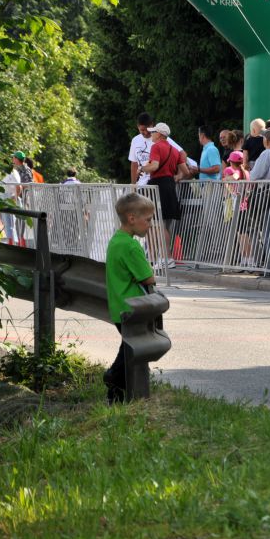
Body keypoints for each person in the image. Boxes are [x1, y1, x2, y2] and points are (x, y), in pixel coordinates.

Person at [104, 193, 156, 403]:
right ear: (132, 218)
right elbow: (148, 278)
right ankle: (113, 378)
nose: (150, 225)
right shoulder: (131, 246)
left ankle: (116, 395)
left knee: (128, 350)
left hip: (118, 306)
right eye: (148, 220)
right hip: (134, 308)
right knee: (130, 354)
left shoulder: (116, 240)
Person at [138, 122, 181, 267]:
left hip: (158, 186)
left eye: (154, 132)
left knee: (159, 224)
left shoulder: (156, 146)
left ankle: (166, 258)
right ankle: (164, 258)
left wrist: (142, 168)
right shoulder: (175, 150)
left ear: (161, 134)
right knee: (166, 224)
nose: (152, 134)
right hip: (170, 185)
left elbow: (154, 166)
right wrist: (178, 177)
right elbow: (185, 171)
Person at [222, 151, 254, 268]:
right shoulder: (246, 172)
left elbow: (234, 177)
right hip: (245, 206)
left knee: (242, 235)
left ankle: (249, 259)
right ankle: (245, 258)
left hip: (237, 206)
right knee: (243, 234)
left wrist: (225, 179)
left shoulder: (230, 170)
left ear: (230, 161)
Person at [128, 112, 155, 184]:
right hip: (142, 184)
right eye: (142, 130)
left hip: (156, 182)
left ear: (152, 125)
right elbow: (134, 164)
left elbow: (180, 152)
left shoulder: (160, 137)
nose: (146, 133)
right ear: (138, 126)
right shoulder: (135, 140)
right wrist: (133, 185)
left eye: (148, 129)